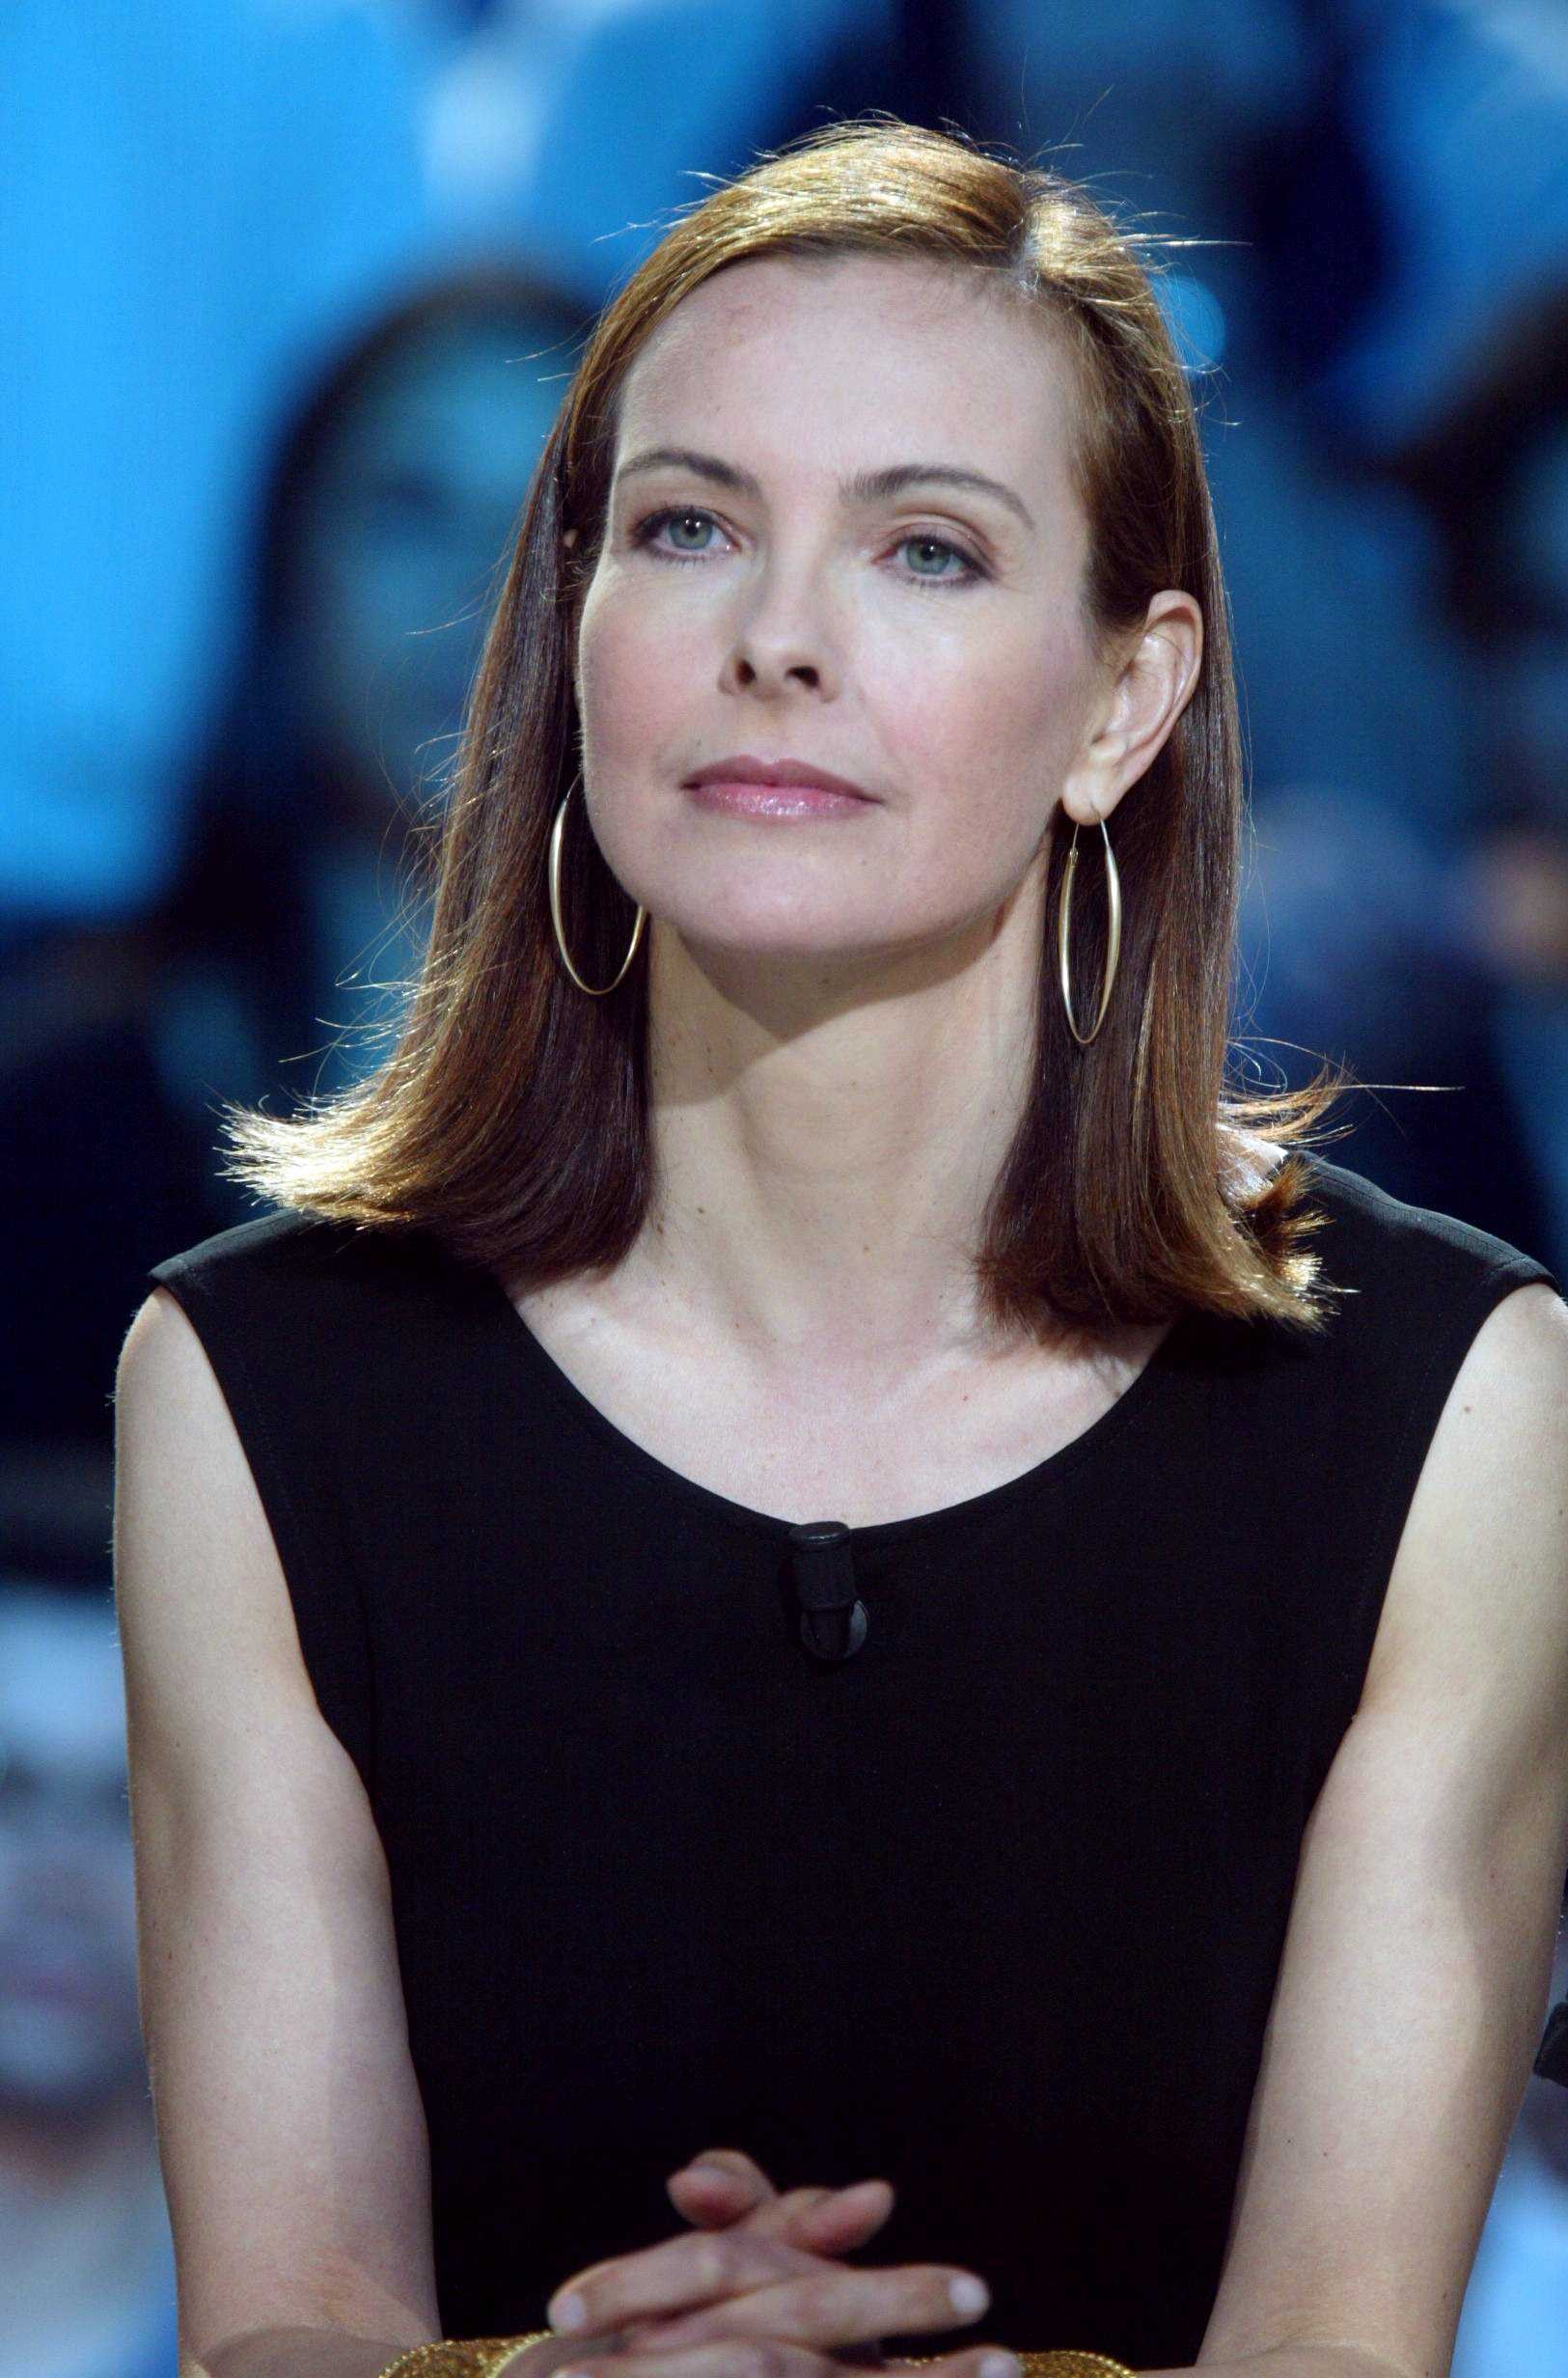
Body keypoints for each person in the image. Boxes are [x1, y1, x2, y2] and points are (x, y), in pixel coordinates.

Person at [111, 117, 1568, 2378]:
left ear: (1125, 699)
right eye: (689, 527)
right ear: (574, 629)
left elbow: (1342, 2341)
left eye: (926, 550)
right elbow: (283, 2323)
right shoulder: (259, 1385)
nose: (778, 641)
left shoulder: (1446, 1405)